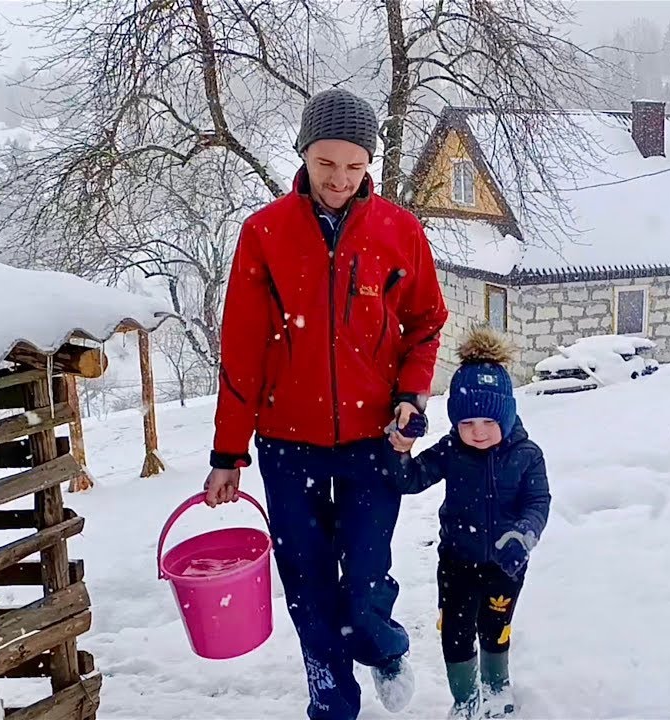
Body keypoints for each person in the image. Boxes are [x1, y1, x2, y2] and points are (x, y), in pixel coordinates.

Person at [202, 87, 448, 720]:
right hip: (288, 446)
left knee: (363, 588)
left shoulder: (399, 231)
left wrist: (410, 396)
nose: (339, 179)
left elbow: (425, 324)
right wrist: (228, 453)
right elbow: (243, 350)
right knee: (309, 590)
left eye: (354, 165)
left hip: (372, 442)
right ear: (303, 155)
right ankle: (331, 704)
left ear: (370, 163)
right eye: (325, 164)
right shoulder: (265, 233)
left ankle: (384, 646)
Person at [392, 327, 551, 720]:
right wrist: (401, 451)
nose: (477, 432)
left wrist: (523, 535)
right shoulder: (452, 450)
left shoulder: (527, 455)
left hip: (505, 565)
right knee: (456, 633)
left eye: (487, 421)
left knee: (496, 628)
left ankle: (496, 687)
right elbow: (412, 479)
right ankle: (465, 699)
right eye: (467, 422)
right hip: (458, 564)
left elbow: (538, 501)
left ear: (506, 416)